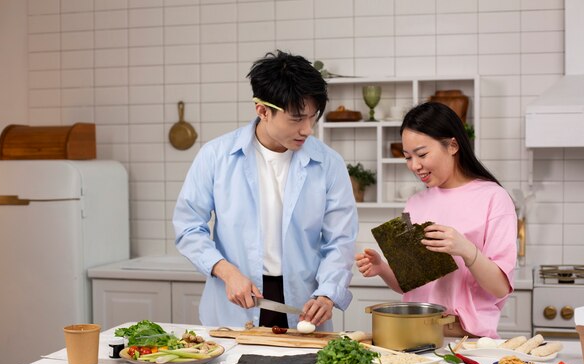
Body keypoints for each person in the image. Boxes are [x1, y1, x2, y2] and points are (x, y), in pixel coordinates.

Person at [173, 50, 358, 331]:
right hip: (237, 301)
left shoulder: (328, 163)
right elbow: (188, 227)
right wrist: (226, 271)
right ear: (262, 110)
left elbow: (341, 241)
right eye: (297, 118)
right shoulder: (216, 156)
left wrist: (327, 292)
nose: (307, 129)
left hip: (303, 302)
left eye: (313, 117)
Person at [355, 101, 517, 338]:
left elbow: (500, 288)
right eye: (408, 157)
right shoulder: (415, 203)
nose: (415, 166)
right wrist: (382, 268)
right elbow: (410, 284)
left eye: (422, 154)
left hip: (467, 338)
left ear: (452, 145)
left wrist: (466, 250)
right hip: (414, 334)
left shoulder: (494, 198)